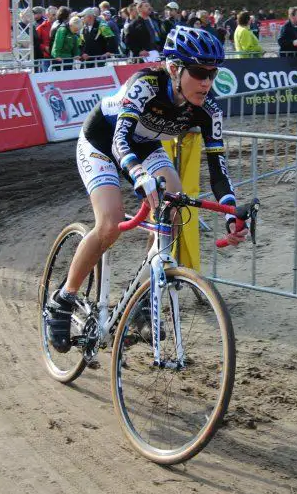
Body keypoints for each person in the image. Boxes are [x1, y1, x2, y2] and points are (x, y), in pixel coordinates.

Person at [43, 27, 245, 353]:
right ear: (175, 69)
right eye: (199, 72)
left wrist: (231, 211)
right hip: (102, 143)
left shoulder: (210, 109)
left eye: (212, 73)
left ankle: (143, 301)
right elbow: (119, 141)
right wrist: (138, 175)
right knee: (109, 224)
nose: (207, 82)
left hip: (146, 146)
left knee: (175, 207)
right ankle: (64, 297)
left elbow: (219, 170)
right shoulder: (145, 85)